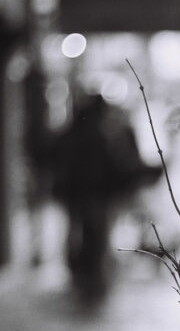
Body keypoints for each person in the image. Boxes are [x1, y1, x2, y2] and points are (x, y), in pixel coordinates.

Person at [51, 93, 159, 297]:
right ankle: (90, 276)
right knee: (94, 234)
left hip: (83, 194)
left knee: (84, 232)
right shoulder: (98, 135)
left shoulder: (77, 133)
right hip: (93, 193)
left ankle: (84, 274)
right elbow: (107, 166)